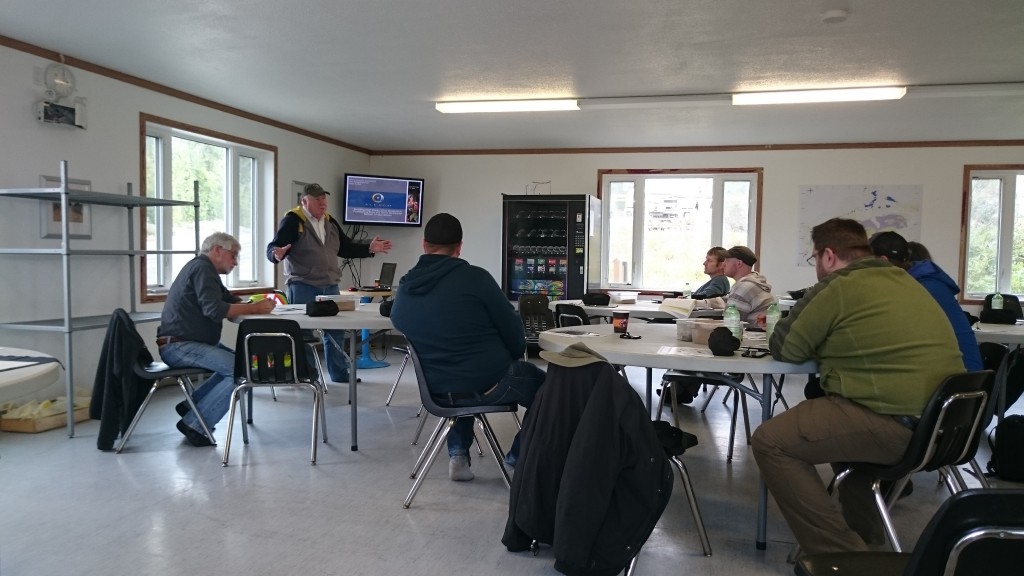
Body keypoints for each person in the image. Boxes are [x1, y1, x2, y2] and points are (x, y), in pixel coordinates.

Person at [752, 218, 964, 555]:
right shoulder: (904, 280)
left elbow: (788, 348)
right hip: (944, 423)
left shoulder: (838, 286)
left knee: (771, 441)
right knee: (834, 427)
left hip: (897, 422)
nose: (817, 268)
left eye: (815, 260)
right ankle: (866, 535)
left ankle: (841, 558)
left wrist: (812, 298)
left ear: (829, 256)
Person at [390, 213, 546, 481]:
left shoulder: (405, 288)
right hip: (489, 383)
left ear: (424, 244)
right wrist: (510, 356)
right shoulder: (476, 279)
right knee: (554, 391)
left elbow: (399, 320)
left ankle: (458, 454)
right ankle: (516, 459)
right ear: (459, 246)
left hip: (437, 388)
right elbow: (513, 332)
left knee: (460, 376)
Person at [157, 232, 277, 447]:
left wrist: (251, 304)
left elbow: (227, 299)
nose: (236, 262)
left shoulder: (204, 269)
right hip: (179, 345)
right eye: (234, 255)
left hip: (183, 342)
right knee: (240, 369)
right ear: (218, 251)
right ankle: (195, 424)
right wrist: (255, 308)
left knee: (241, 362)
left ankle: (193, 405)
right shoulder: (202, 269)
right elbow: (214, 309)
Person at [266, 183, 392, 382]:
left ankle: (339, 373)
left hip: (330, 284)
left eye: (324, 198)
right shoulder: (292, 221)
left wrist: (370, 248)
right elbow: (274, 247)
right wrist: (275, 254)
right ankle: (308, 375)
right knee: (303, 332)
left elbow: (346, 248)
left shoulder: (330, 221)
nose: (322, 202)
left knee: (336, 331)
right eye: (317, 199)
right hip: (302, 285)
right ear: (304, 201)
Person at [869, 231, 982, 371]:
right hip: (957, 373)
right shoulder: (922, 282)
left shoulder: (920, 289)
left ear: (883, 261)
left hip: (957, 379)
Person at [698, 246, 774, 324]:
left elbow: (730, 321)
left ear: (739, 263)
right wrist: (698, 303)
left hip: (755, 333)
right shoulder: (750, 282)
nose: (723, 265)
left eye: (727, 260)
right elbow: (725, 300)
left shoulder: (745, 287)